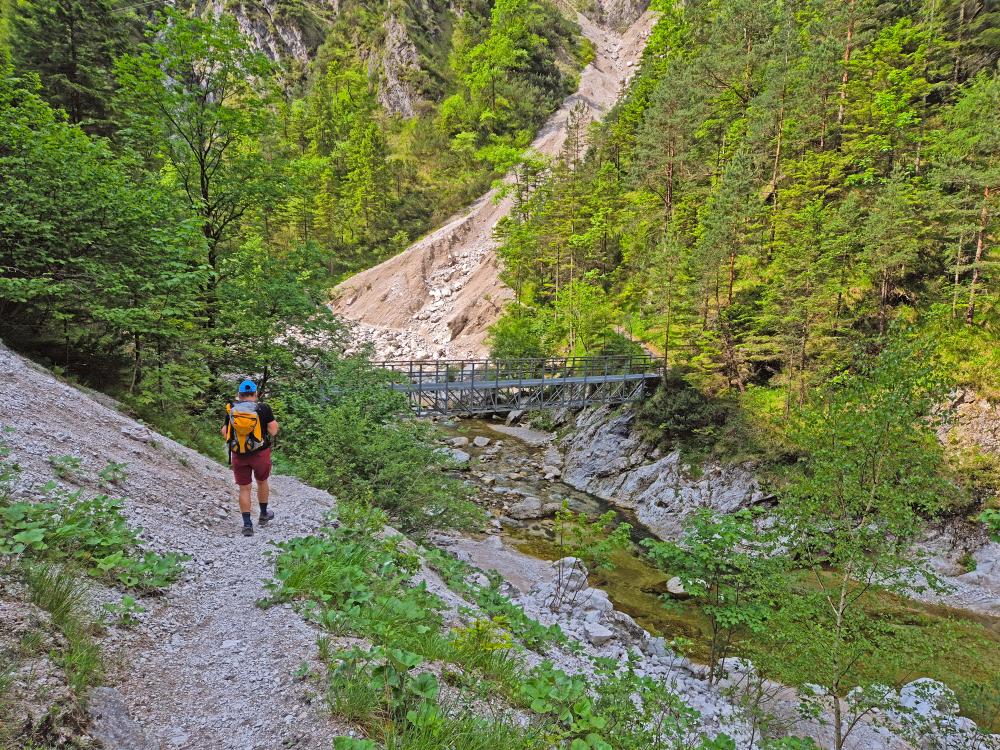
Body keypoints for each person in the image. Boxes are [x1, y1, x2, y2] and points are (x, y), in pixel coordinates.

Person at [221, 379, 279, 537]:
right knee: (262, 482)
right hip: (260, 453)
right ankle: (263, 514)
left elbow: (225, 432)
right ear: (255, 394)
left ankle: (247, 525)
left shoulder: (232, 409)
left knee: (244, 488)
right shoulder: (263, 408)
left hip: (239, 454)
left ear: (239, 395)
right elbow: (273, 431)